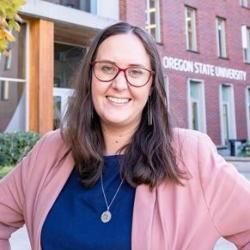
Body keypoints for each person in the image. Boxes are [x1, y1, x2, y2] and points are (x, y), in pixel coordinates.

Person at [0, 22, 250, 250]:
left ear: (152, 85)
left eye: (136, 72)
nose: (120, 84)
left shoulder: (191, 155)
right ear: (90, 77)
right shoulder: (51, 150)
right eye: (107, 68)